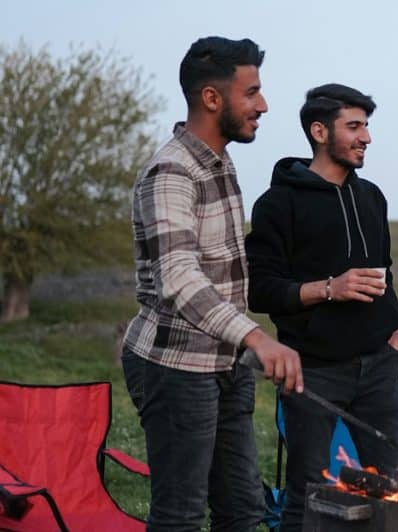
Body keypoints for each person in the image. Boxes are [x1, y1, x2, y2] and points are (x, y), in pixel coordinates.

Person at [120, 36, 303, 531]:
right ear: (211, 98)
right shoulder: (170, 173)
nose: (263, 105)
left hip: (226, 363)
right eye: (252, 93)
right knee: (180, 515)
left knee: (243, 510)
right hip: (175, 366)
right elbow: (178, 278)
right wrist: (256, 337)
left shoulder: (219, 162)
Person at [245, 83, 398, 532]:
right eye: (354, 126)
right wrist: (329, 289)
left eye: (366, 126)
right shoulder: (278, 203)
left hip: (378, 368)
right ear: (319, 131)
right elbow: (260, 290)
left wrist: (394, 334)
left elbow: (386, 270)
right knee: (307, 494)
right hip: (311, 370)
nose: (366, 137)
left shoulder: (371, 196)